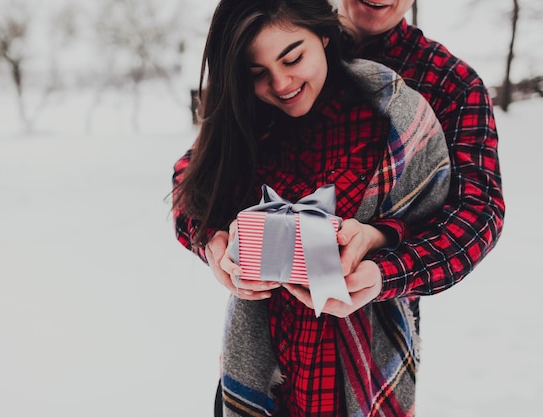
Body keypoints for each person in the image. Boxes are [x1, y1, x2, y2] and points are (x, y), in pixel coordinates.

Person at [171, 0, 495, 415]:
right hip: (265, 349)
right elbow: (196, 175)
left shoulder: (447, 82)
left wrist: (382, 264)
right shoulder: (275, 45)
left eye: (294, 59)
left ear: (319, 41)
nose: (282, 81)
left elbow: (476, 214)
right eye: (260, 72)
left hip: (365, 354)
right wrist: (213, 244)